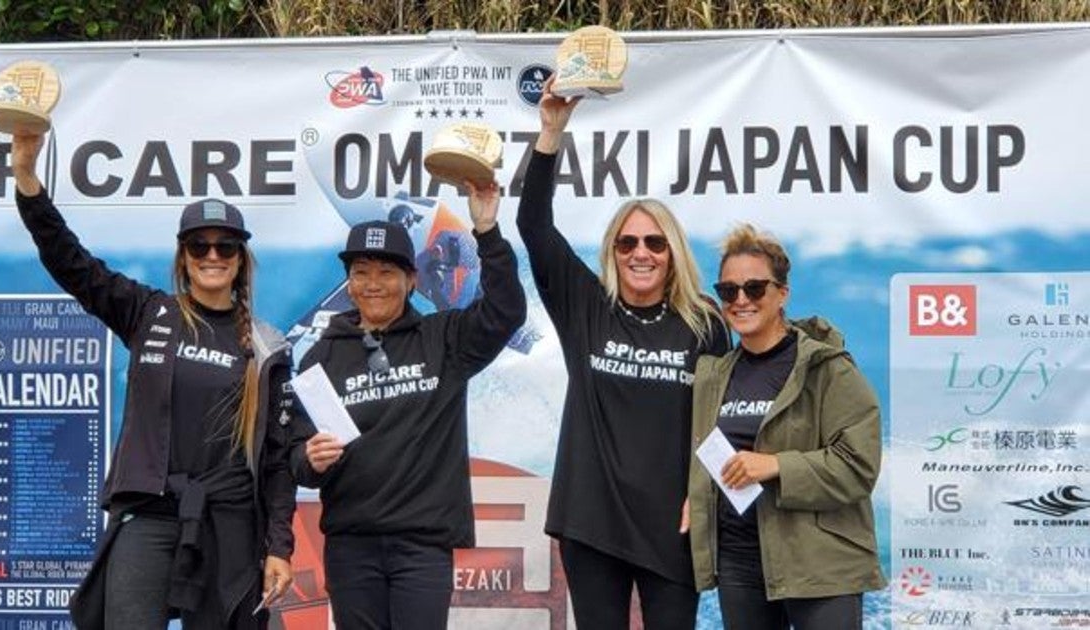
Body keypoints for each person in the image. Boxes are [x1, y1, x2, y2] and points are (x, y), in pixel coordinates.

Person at [10, 132, 296, 630]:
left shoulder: (266, 347)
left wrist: (279, 548)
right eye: (199, 245)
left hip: (227, 524)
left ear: (240, 259)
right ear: (184, 257)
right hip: (150, 514)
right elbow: (70, 263)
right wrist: (28, 180)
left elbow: (276, 461)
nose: (213, 254)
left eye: (225, 245)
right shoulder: (148, 313)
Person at [516, 78, 731, 629]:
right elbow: (534, 226)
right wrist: (550, 133)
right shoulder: (586, 305)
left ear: (672, 253)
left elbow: (720, 424)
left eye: (655, 243)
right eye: (628, 242)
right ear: (613, 250)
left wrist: (703, 494)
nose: (641, 253)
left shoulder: (704, 322)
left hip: (672, 523)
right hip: (592, 518)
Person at [289, 179, 526, 629]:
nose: (373, 285)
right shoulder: (323, 354)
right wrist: (309, 458)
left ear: (412, 279)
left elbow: (506, 312)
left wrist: (488, 232)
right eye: (361, 272)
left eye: (387, 273)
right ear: (350, 281)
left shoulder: (444, 339)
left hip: (421, 548)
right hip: (351, 547)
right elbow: (298, 460)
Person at [687, 223, 886, 630]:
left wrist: (777, 465)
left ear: (782, 294)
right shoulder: (713, 375)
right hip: (740, 564)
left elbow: (859, 466)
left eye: (755, 288)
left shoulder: (828, 368)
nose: (741, 300)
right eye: (729, 291)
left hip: (820, 563)